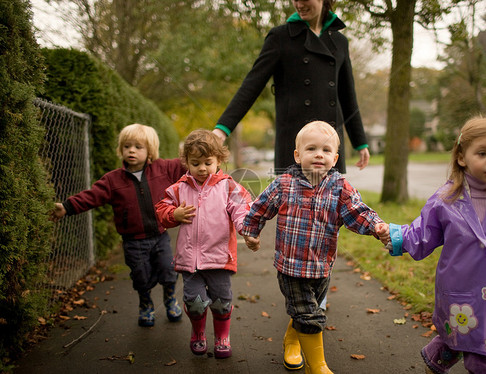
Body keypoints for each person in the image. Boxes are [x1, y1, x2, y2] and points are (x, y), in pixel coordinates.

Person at [386, 116, 486, 374]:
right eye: (482, 153)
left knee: (483, 345)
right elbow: (423, 233)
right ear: (462, 157)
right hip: (458, 290)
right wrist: (396, 237)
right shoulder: (445, 201)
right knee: (462, 332)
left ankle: (435, 359)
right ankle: (440, 356)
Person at [241, 121, 389, 373]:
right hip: (290, 267)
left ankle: (292, 340)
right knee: (310, 315)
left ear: (335, 158)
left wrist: (376, 226)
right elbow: (260, 208)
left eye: (326, 150)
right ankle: (318, 366)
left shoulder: (341, 187)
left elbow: (357, 212)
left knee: (305, 311)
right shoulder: (284, 184)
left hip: (322, 267)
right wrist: (251, 232)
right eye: (311, 149)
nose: (319, 154)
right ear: (298, 155)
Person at [50, 123, 186, 327]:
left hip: (159, 236)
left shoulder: (163, 169)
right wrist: (67, 207)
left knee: (169, 270)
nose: (131, 150)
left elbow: (188, 163)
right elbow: (92, 196)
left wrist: (206, 154)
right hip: (133, 241)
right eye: (127, 146)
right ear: (121, 149)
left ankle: (170, 300)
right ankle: (146, 304)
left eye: (138, 147)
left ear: (150, 151)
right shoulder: (113, 180)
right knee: (141, 276)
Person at [213, 0, 370, 174]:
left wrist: (360, 142)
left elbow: (347, 95)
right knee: (291, 199)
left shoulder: (340, 41)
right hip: (294, 143)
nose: (299, 4)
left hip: (328, 143)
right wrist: (223, 129)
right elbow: (252, 84)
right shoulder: (280, 37)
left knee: (330, 199)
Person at [154, 129, 258, 359]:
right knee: (195, 303)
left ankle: (222, 337)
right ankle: (198, 333)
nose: (202, 168)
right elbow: (161, 209)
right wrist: (174, 213)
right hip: (189, 261)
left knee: (221, 303)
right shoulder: (179, 188)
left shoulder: (228, 187)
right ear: (187, 163)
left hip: (219, 259)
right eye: (195, 163)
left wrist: (247, 232)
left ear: (219, 160)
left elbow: (242, 210)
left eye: (208, 162)